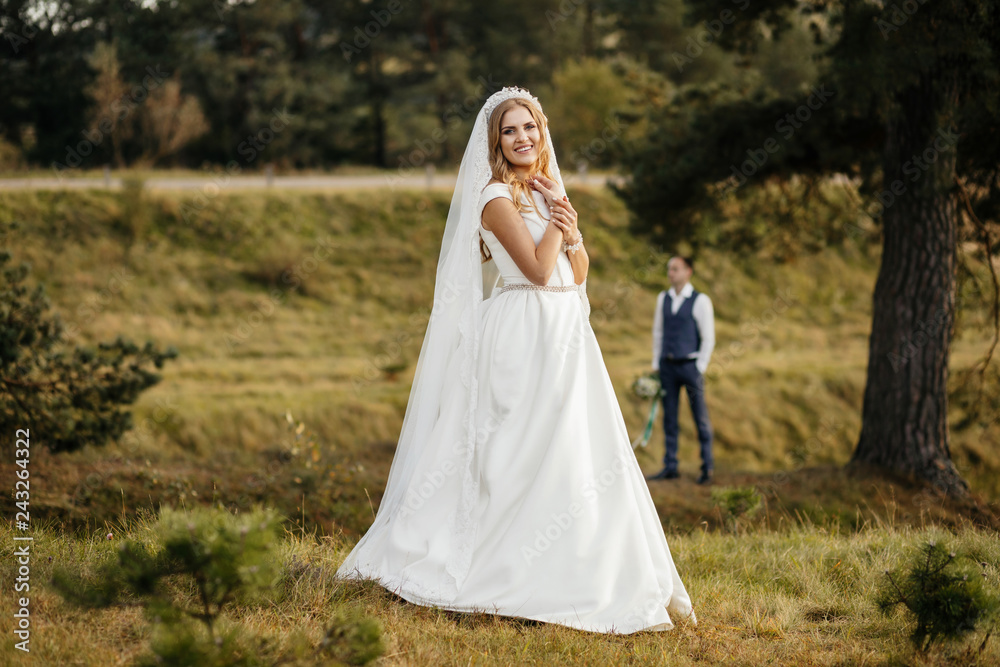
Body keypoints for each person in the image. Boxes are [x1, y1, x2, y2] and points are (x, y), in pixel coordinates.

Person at [335, 86, 696, 634]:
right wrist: (558, 222)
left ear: (541, 131)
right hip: (521, 329)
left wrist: (569, 228)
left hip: (566, 330)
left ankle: (577, 565)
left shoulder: (544, 189)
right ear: (496, 141)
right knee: (513, 449)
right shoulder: (494, 197)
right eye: (511, 130)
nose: (523, 137)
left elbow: (576, 274)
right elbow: (531, 268)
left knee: (574, 445)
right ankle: (489, 565)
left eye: (530, 127)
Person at [646, 256, 716, 485]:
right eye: (669, 269)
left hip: (689, 366)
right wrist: (657, 362)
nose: (671, 273)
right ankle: (670, 466)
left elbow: (708, 337)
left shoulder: (700, 300)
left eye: (675, 269)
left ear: (688, 271)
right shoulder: (662, 298)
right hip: (667, 366)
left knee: (700, 417)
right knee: (670, 417)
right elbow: (658, 332)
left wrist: (700, 366)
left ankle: (707, 467)